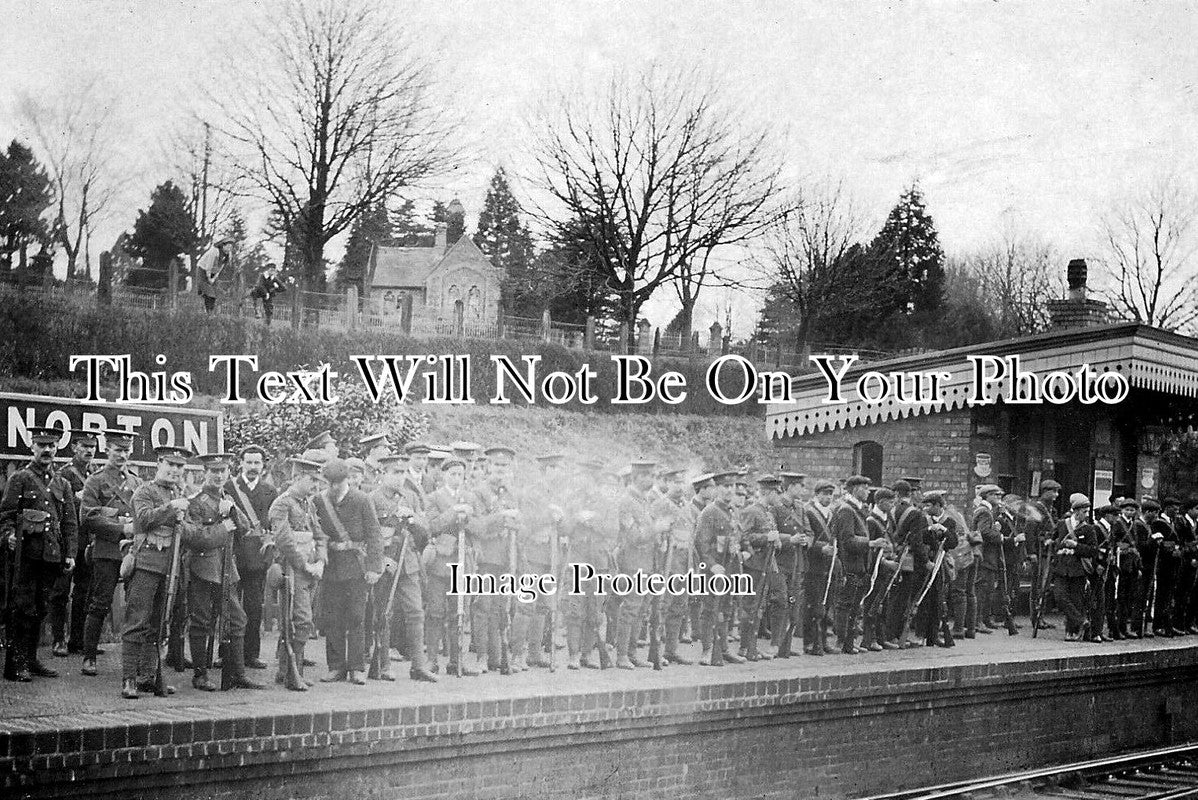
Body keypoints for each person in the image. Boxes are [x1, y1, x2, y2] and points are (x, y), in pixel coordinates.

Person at [1, 426, 79, 682]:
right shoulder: (20, 479)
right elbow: (6, 515)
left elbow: (69, 523)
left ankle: (31, 660)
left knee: (40, 609)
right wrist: (9, 535)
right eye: (41, 446)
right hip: (26, 555)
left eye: (52, 446)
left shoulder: (62, 483)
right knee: (21, 609)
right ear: (32, 447)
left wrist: (70, 553)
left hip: (51, 556)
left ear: (57, 449)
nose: (47, 451)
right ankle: (16, 665)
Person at [184, 453, 264, 691]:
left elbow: (246, 528)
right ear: (204, 473)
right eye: (213, 471)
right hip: (202, 568)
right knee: (201, 621)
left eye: (223, 471)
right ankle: (200, 675)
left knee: (237, 619)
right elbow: (196, 537)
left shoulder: (228, 498)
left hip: (227, 569)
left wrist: (233, 512)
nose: (218, 476)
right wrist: (225, 526)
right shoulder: (195, 502)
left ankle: (237, 673)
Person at [121, 445, 195, 699]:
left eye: (180, 466)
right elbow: (142, 520)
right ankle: (129, 678)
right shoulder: (144, 491)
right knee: (137, 621)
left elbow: (188, 532)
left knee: (159, 622)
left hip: (172, 567)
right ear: (159, 464)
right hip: (146, 563)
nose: (175, 470)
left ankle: (148, 677)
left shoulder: (180, 493)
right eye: (170, 465)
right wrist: (171, 508)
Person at [312, 458, 383, 685]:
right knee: (333, 618)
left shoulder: (362, 499)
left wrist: (374, 568)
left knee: (356, 617)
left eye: (338, 482)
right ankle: (335, 667)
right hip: (331, 566)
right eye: (330, 483)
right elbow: (315, 532)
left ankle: (356, 667)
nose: (334, 487)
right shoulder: (319, 500)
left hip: (356, 567)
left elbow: (374, 534)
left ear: (347, 479)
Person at [78, 429, 142, 677]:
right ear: (107, 451)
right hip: (107, 550)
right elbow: (89, 517)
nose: (122, 455)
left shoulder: (136, 482)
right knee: (100, 604)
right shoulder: (96, 480)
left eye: (126, 450)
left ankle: (133, 660)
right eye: (117, 450)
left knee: (136, 605)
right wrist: (121, 527)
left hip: (133, 551)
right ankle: (89, 657)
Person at [368, 454, 436, 683]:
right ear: (382, 473)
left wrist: (414, 519)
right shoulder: (372, 500)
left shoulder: (410, 498)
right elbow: (369, 536)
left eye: (403, 472)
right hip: (386, 565)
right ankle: (382, 664)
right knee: (384, 614)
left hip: (408, 564)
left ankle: (418, 665)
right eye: (395, 472)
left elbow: (426, 532)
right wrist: (381, 562)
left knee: (416, 613)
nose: (400, 477)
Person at [267, 457, 328, 689]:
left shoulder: (308, 504)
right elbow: (284, 540)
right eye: (311, 479)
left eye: (317, 480)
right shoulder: (282, 504)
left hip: (311, 570)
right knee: (300, 621)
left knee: (297, 621)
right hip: (292, 570)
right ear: (295, 478)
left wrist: (321, 560)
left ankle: (290, 672)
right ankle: (293, 673)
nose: (315, 485)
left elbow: (320, 535)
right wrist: (306, 565)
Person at [225, 445, 277, 671]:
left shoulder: (270, 491)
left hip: (257, 557)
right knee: (229, 606)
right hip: (234, 553)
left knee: (254, 607)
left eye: (257, 463)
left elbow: (272, 525)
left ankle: (251, 654)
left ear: (263, 465)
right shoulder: (228, 487)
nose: (253, 467)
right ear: (241, 463)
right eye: (249, 462)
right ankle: (225, 653)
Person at [48, 428, 95, 657]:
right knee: (60, 591)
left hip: (87, 540)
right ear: (74, 447)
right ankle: (58, 640)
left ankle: (77, 639)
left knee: (84, 591)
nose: (89, 451)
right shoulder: (64, 474)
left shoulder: (94, 474)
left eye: (92, 446)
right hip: (68, 540)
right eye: (84, 446)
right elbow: (58, 508)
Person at [693, 471, 743, 666]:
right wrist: (712, 565)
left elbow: (737, 537)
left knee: (726, 608)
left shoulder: (733, 511)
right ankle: (707, 649)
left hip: (730, 567)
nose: (729, 491)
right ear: (716, 489)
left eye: (732, 487)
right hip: (714, 569)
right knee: (710, 609)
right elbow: (701, 543)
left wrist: (739, 547)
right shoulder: (709, 512)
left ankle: (723, 648)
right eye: (725, 487)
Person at [831, 475, 880, 655]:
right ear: (854, 489)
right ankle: (843, 641)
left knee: (853, 605)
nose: (868, 491)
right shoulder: (847, 510)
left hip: (858, 565)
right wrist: (870, 543)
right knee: (846, 604)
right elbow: (847, 540)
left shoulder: (858, 510)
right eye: (864, 488)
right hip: (849, 565)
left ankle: (849, 641)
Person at [1052, 495, 1099, 642]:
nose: (1086, 515)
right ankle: (1081, 621)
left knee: (1076, 600)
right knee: (1059, 597)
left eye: (1087, 512)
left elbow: (1093, 550)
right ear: (1076, 511)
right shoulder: (1062, 524)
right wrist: (1053, 543)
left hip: (1078, 569)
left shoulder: (1089, 529)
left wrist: (1077, 546)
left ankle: (1071, 632)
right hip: (1061, 567)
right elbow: (1054, 541)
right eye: (1084, 512)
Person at [803, 480, 839, 656]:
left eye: (830, 494)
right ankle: (810, 642)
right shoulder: (809, 512)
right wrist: (821, 548)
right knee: (813, 605)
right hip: (813, 564)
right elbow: (807, 537)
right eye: (824, 494)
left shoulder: (832, 513)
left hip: (828, 565)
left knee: (826, 603)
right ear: (816, 495)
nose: (828, 497)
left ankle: (823, 641)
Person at [196, 235, 235, 314]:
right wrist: (209, 278)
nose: (229, 249)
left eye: (230, 248)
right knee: (208, 293)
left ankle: (210, 313)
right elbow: (208, 266)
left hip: (213, 272)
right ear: (223, 245)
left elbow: (220, 268)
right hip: (203, 270)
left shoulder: (227, 255)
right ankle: (207, 312)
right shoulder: (214, 251)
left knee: (214, 294)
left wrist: (214, 278)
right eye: (227, 247)